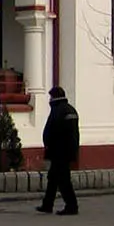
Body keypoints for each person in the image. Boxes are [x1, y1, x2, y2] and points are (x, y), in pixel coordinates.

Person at [37, 86, 80, 216]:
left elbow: (52, 131)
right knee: (53, 178)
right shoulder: (71, 110)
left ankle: (71, 206)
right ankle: (47, 204)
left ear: (54, 97)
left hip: (59, 152)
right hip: (67, 151)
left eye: (50, 97)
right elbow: (74, 134)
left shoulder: (57, 111)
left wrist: (48, 146)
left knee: (63, 180)